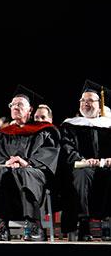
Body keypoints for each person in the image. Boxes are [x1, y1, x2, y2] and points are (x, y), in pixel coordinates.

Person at [0, 89, 59, 241]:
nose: (15, 107)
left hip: (35, 172)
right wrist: (6, 163)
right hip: (9, 171)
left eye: (20, 104)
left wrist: (26, 163)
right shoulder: (2, 133)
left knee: (25, 173)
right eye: (13, 104)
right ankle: (2, 226)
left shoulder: (43, 131)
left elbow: (48, 154)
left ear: (30, 110)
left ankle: (35, 225)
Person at [58, 80, 111, 241]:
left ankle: (107, 222)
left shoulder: (108, 125)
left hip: (106, 166)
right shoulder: (70, 125)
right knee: (81, 175)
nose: (85, 104)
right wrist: (83, 160)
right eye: (83, 100)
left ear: (100, 104)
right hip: (80, 166)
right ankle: (83, 223)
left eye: (90, 100)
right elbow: (66, 148)